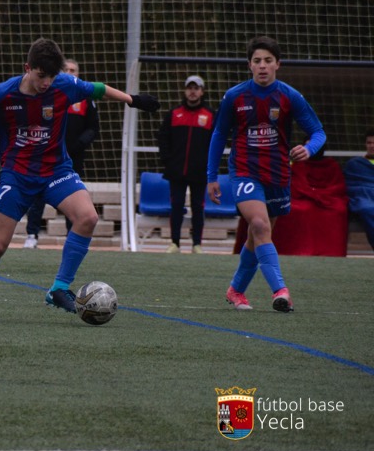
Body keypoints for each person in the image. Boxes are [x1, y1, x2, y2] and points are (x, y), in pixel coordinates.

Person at [0, 38, 159, 320]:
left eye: (51, 76)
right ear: (28, 68)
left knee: (88, 217)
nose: (46, 82)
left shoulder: (64, 85)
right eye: (41, 76)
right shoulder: (4, 93)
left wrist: (132, 100)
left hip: (56, 171)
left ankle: (59, 288)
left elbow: (97, 89)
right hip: (17, 174)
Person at [207, 36, 326, 313]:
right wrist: (212, 176)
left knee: (257, 235)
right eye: (257, 61)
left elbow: (318, 132)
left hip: (277, 174)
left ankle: (236, 290)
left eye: (268, 61)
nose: (262, 66)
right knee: (260, 225)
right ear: (249, 65)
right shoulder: (234, 96)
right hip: (244, 172)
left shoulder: (289, 96)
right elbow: (219, 135)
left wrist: (309, 149)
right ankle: (280, 291)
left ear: (278, 64)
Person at [23, 58, 100, 248]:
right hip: (46, 156)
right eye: (66, 69)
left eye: (73, 70)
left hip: (73, 158)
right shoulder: (48, 94)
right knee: (38, 196)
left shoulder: (85, 100)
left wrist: (80, 143)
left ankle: (70, 236)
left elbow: (93, 128)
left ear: (78, 74)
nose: (70, 73)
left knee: (73, 198)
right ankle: (32, 235)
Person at [157, 75, 215, 254]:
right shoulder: (174, 114)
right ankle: (175, 243)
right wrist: (168, 160)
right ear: (185, 90)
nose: (192, 91)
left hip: (199, 172)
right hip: (176, 171)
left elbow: (216, 143)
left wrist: (209, 166)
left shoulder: (210, 115)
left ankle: (197, 244)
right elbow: (163, 139)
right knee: (176, 206)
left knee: (198, 207)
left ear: (202, 92)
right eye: (190, 87)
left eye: (196, 88)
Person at [344, 128, 374, 251]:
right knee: (367, 208)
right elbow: (350, 185)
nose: (372, 146)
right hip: (364, 198)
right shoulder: (355, 164)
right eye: (369, 143)